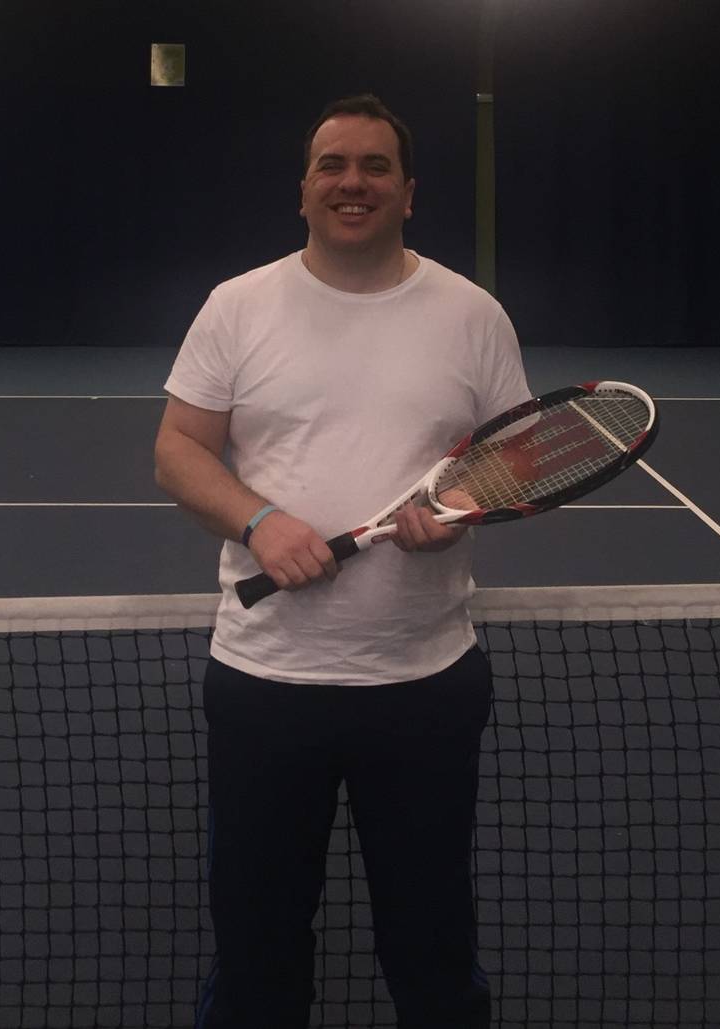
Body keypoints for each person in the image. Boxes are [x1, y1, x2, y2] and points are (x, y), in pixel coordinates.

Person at [153, 93, 530, 1029]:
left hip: (425, 682)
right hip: (265, 681)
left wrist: (460, 504)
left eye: (372, 166)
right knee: (258, 946)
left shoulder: (472, 314)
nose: (351, 182)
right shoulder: (238, 306)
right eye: (332, 165)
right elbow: (177, 449)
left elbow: (521, 456)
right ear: (304, 189)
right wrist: (260, 520)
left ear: (409, 191)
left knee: (432, 942)